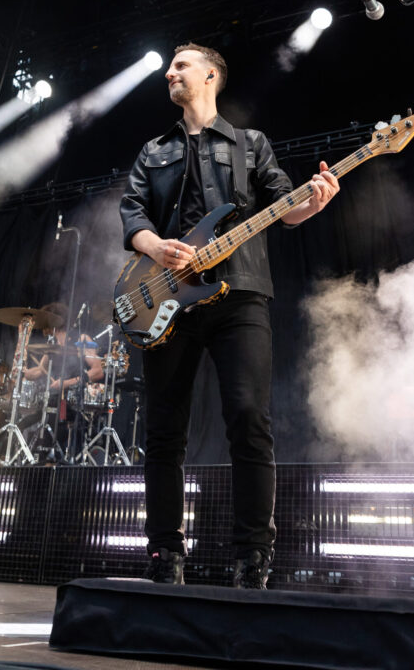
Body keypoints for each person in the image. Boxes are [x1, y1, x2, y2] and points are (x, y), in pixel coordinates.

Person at [120, 42, 339, 588]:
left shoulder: (250, 145)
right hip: (167, 299)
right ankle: (164, 557)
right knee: (165, 431)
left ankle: (251, 559)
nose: (169, 72)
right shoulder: (154, 149)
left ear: (211, 75)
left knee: (248, 418)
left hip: (239, 293)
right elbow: (132, 212)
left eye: (181, 65)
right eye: (169, 67)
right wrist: (156, 247)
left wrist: (314, 201)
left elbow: (287, 208)